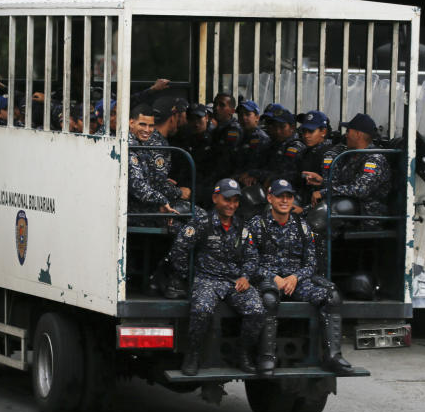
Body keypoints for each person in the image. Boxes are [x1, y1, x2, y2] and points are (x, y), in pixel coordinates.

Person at [247, 179, 353, 376]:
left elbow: (311, 263)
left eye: (288, 197)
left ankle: (333, 356)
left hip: (296, 282)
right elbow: (249, 263)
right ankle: (266, 357)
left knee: (331, 297)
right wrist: (274, 277)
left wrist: (295, 277)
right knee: (268, 299)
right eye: (280, 196)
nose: (285, 200)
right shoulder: (256, 225)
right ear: (270, 198)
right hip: (269, 281)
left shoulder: (302, 227)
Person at [165, 178, 264, 376]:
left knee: (256, 309)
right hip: (207, 279)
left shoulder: (242, 227)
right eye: (227, 200)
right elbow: (179, 249)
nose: (232, 205)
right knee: (201, 309)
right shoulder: (202, 222)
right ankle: (192, 355)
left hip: (234, 282)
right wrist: (189, 277)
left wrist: (245, 277)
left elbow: (252, 257)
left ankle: (243, 354)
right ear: (215, 198)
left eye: (236, 201)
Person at [311, 113, 392, 227]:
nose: (346, 135)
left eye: (348, 131)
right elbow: (344, 185)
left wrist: (325, 192)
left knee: (323, 215)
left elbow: (360, 189)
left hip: (367, 215)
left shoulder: (374, 159)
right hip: (349, 209)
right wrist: (322, 182)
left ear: (358, 134)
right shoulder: (352, 155)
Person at [127, 104, 178, 217]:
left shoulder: (141, 144)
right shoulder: (129, 146)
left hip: (146, 206)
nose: (147, 130)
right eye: (142, 124)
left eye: (151, 126)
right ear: (131, 123)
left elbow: (150, 178)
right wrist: (162, 200)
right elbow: (137, 185)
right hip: (135, 211)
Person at [258, 104, 306, 188]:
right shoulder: (275, 143)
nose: (278, 131)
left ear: (292, 127)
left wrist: (266, 177)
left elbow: (287, 174)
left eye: (282, 127)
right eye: (273, 126)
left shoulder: (295, 147)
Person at [296, 111, 334, 206]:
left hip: (319, 206)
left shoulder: (329, 154)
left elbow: (333, 186)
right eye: (304, 131)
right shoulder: (306, 151)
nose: (306, 135)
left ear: (323, 132)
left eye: (311, 131)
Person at [233, 100, 271, 187]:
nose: (243, 118)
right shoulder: (241, 136)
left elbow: (263, 166)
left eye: (247, 114)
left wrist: (253, 174)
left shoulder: (261, 138)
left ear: (257, 117)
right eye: (240, 115)